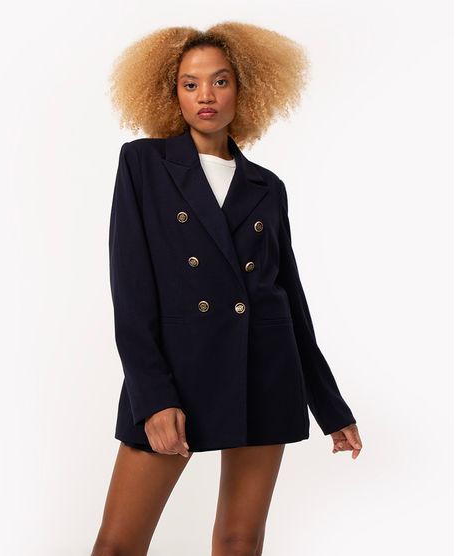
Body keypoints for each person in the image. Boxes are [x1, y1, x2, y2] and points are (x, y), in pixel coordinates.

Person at [91, 21, 363, 556]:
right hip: (176, 375)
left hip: (262, 370)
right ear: (171, 92)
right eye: (190, 84)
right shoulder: (143, 164)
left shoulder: (267, 187)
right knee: (117, 544)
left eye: (220, 81)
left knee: (240, 542)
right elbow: (131, 290)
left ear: (244, 88)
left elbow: (289, 299)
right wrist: (153, 397)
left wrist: (331, 407)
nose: (206, 96)